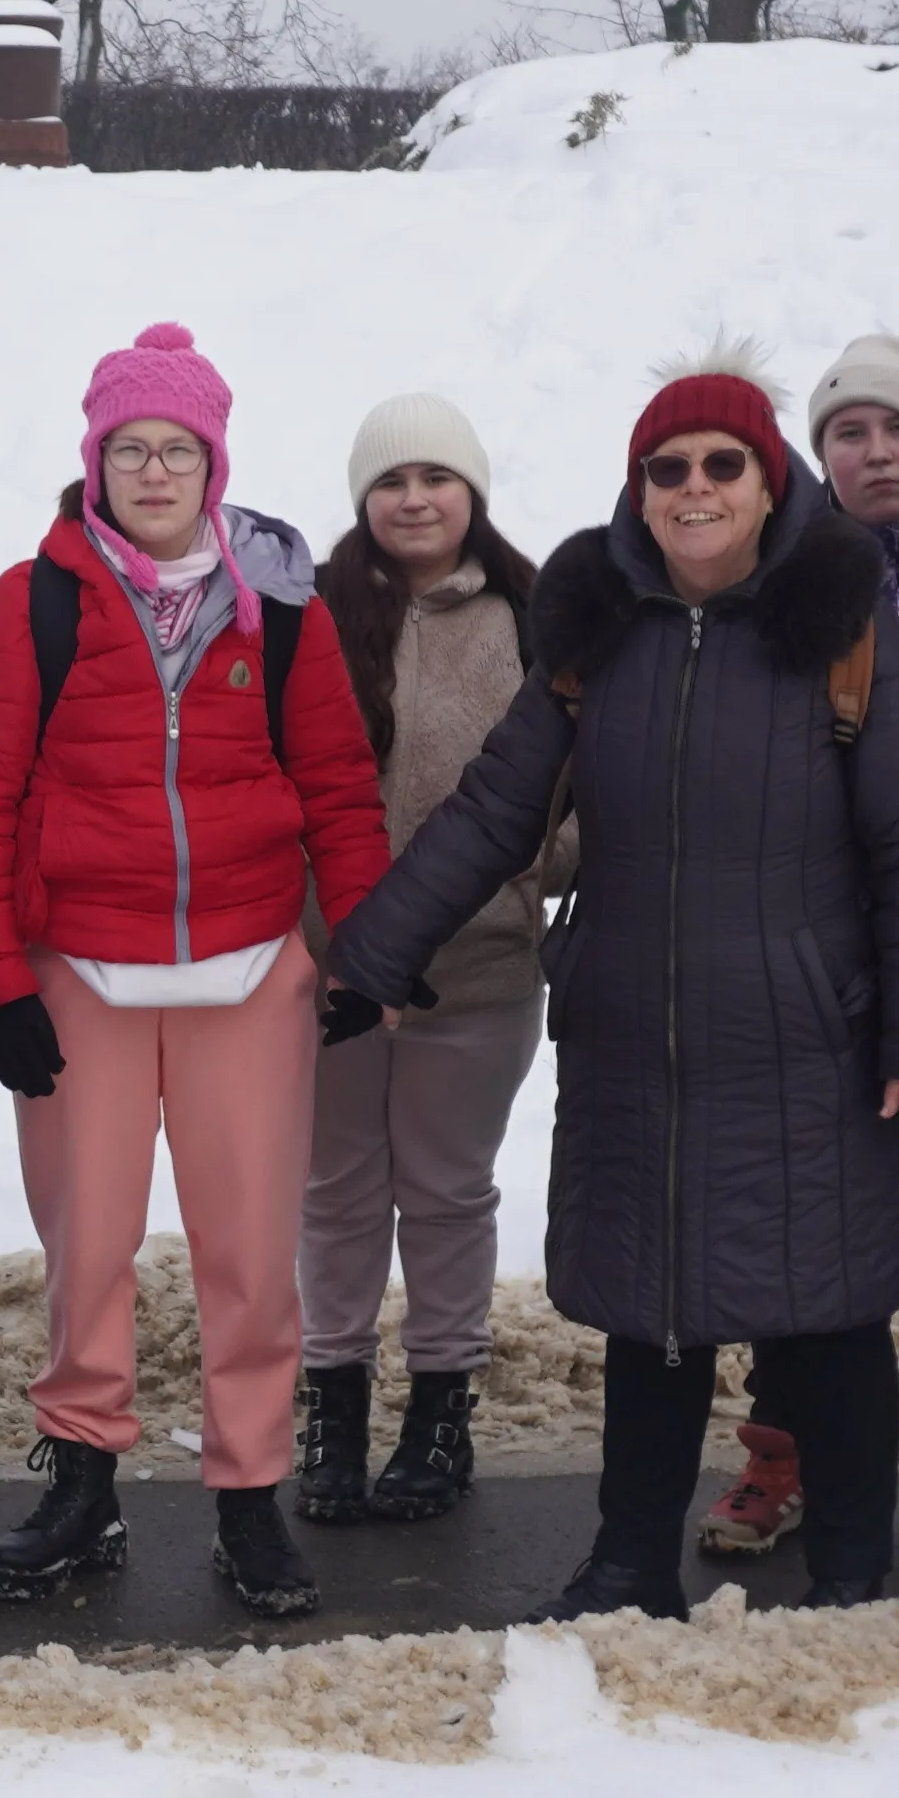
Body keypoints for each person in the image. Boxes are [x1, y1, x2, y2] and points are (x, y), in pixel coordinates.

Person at [327, 365, 899, 1616]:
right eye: (665, 468)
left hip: (804, 1039)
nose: (691, 489)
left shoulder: (840, 630)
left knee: (832, 1315)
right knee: (652, 1314)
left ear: (766, 479)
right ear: (638, 490)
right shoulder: (595, 629)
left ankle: (850, 1570)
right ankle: (627, 1560)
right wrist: (369, 953)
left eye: (719, 465)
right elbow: (492, 812)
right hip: (633, 1035)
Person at [0, 323, 391, 1623]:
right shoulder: (35, 601)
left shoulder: (280, 611)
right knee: (86, 1245)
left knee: (250, 1251)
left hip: (249, 971)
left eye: (173, 448)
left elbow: (338, 791)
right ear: (94, 462)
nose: (151, 469)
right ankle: (80, 1484)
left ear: (212, 460)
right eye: (127, 448)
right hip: (78, 968)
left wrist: (354, 943)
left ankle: (248, 1496)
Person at [711, 330, 899, 1561]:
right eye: (847, 432)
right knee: (801, 1205)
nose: (874, 451)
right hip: (811, 944)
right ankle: (780, 1451)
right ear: (817, 454)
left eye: (896, 429)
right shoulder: (783, 569)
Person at [295, 394, 556, 1528]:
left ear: (471, 493)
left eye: (434, 478)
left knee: (448, 1192)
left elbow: (580, 779)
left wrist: (530, 870)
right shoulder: (302, 612)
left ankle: (439, 1410)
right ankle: (333, 1406)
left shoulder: (535, 617)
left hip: (481, 964)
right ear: (363, 497)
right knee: (337, 1192)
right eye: (390, 480)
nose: (412, 498)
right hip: (333, 972)